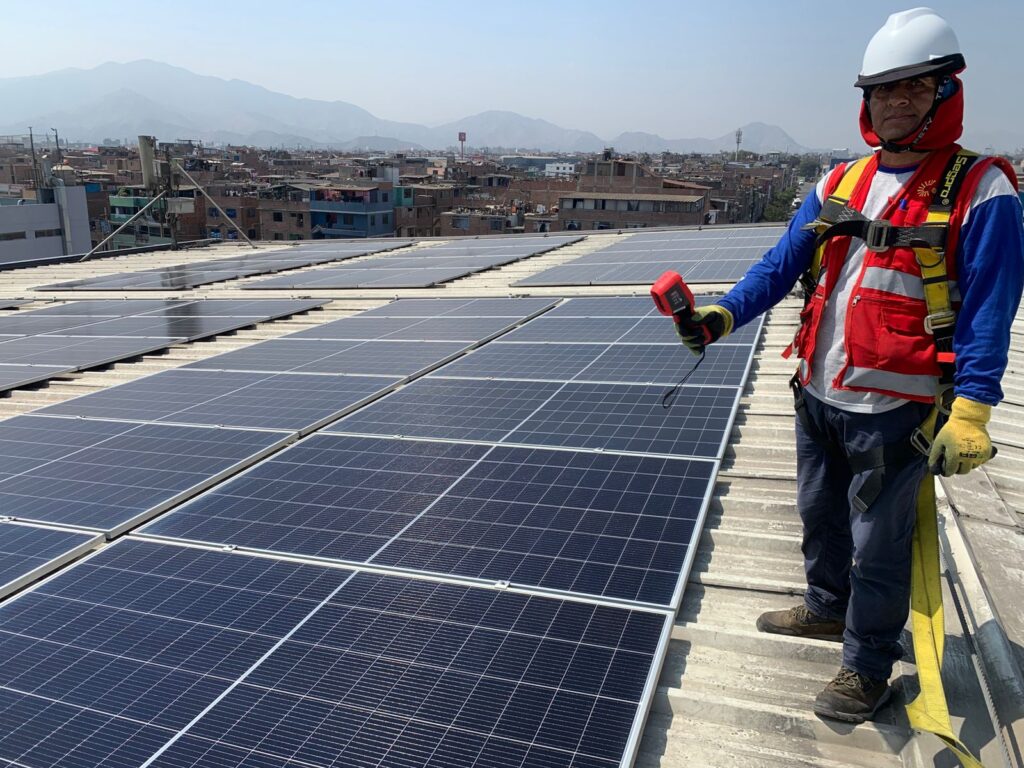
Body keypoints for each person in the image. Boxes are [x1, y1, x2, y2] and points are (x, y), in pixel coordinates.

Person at [677, 7, 1024, 723]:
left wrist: (974, 407)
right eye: (883, 90)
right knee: (819, 516)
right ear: (866, 100)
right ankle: (826, 609)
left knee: (880, 546)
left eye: (914, 89)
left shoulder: (981, 191)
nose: (896, 103)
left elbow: (991, 307)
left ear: (945, 93)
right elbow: (779, 268)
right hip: (818, 390)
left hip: (895, 410)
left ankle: (866, 667)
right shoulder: (840, 182)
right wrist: (721, 316)